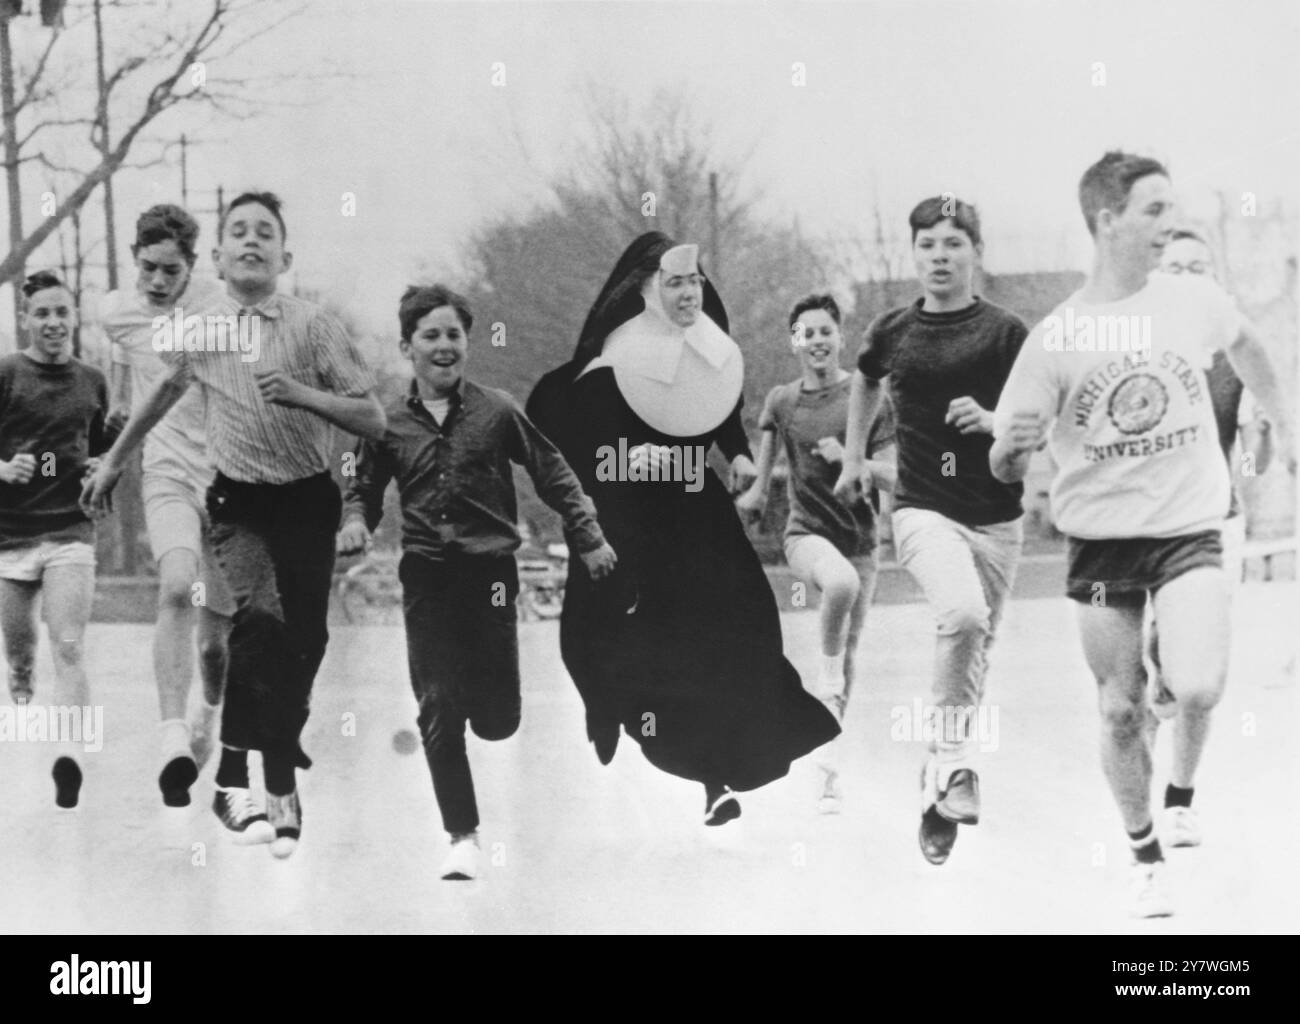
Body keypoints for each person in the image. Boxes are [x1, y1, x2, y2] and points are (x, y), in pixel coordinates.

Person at [990, 151, 1294, 917]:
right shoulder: (1054, 338)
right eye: (1154, 211)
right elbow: (1000, 465)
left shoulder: (1190, 300)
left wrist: (1285, 429)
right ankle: (1143, 850)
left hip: (1189, 526)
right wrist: (1011, 446)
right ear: (1107, 221)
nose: (1169, 224)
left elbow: (1250, 348)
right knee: (1121, 709)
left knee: (1196, 683)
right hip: (1101, 546)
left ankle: (1181, 763)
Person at [83, 191, 386, 857]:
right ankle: (236, 778)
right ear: (219, 258)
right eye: (238, 232)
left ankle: (276, 758)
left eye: (265, 233)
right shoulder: (206, 326)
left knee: (305, 642)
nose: (251, 241)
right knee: (259, 621)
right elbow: (162, 393)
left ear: (285, 255)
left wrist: (304, 394)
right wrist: (111, 464)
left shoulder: (313, 327)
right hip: (236, 502)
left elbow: (373, 420)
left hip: (307, 502)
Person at [527, 232, 838, 826]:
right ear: (644, 289)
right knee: (663, 645)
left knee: (744, 616)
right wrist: (621, 457)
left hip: (700, 509)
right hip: (641, 522)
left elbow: (717, 421)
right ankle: (706, 775)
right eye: (674, 282)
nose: (689, 291)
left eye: (694, 280)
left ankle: (747, 745)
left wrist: (742, 456)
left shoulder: (712, 351)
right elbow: (583, 448)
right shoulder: (613, 359)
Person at [338, 285, 617, 880]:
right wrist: (356, 519)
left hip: (491, 577)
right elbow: (361, 486)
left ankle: (483, 709)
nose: (443, 346)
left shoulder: (498, 410)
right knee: (437, 704)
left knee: (498, 719)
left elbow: (554, 474)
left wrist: (587, 535)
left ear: (467, 343)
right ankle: (461, 835)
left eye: (454, 335)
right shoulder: (386, 421)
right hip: (427, 579)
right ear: (407, 346)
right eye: (430, 335)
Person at [834, 197, 1029, 866]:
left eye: (953, 243)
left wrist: (998, 420)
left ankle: (935, 789)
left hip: (999, 519)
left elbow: (1041, 415)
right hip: (921, 507)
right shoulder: (892, 331)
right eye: (928, 245)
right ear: (915, 254)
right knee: (963, 616)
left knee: (973, 652)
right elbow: (863, 380)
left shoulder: (1006, 333)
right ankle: (953, 763)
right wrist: (857, 455)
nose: (940, 255)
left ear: (975, 252)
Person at [737, 293, 897, 813]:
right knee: (841, 586)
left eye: (825, 331)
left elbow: (896, 473)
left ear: (840, 337)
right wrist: (758, 492)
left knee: (848, 655)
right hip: (803, 535)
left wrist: (855, 461)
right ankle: (823, 687)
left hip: (860, 540)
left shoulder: (868, 395)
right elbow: (766, 442)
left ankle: (828, 767)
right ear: (795, 342)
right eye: (806, 333)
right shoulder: (783, 400)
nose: (817, 341)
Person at [101, 204, 234, 808]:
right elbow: (129, 375)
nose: (157, 282)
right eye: (148, 268)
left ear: (193, 268)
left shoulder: (218, 306)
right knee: (177, 586)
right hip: (167, 474)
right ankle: (170, 734)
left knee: (215, 643)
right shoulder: (114, 313)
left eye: (170, 272)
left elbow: (176, 380)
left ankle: (208, 710)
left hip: (230, 478)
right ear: (134, 258)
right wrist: (113, 425)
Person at [1145, 226, 1274, 846]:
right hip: (1140, 529)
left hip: (1216, 524)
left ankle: (1180, 798)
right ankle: (1141, 800)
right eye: (1177, 268)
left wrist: (1265, 438)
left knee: (1199, 674)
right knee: (1147, 673)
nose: (1190, 277)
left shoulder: (1234, 363)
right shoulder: (1131, 351)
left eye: (1200, 267)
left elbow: (1254, 463)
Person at [0, 271, 119, 808]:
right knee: (20, 649)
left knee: (68, 644)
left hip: (71, 530)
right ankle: (20, 683)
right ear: (26, 320)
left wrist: (103, 464)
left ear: (75, 318)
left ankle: (69, 754)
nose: (52, 322)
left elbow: (99, 450)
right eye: (41, 313)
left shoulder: (92, 380)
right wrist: (4, 469)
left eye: (61, 312)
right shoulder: (5, 374)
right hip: (9, 537)